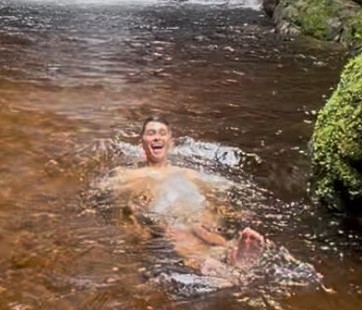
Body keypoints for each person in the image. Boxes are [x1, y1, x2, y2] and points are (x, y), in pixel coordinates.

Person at [102, 117, 269, 281]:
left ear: (171, 143)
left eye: (162, 133)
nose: (157, 137)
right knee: (178, 230)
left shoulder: (190, 174)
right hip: (165, 217)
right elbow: (109, 195)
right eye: (151, 133)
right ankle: (220, 264)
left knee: (204, 225)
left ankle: (227, 256)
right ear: (141, 145)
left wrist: (232, 210)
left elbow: (226, 191)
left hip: (196, 212)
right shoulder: (128, 175)